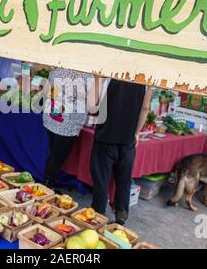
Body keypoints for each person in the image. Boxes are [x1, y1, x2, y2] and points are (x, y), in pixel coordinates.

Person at [90, 79, 152, 225]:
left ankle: (98, 217)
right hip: (127, 141)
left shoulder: (110, 75)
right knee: (124, 181)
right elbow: (145, 107)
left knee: (101, 182)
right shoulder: (144, 80)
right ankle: (121, 218)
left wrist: (97, 79)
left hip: (105, 138)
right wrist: (136, 133)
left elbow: (92, 107)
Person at [42, 68, 94, 189]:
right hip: (68, 124)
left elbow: (48, 91)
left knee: (54, 155)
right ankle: (46, 187)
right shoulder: (88, 76)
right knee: (57, 158)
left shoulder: (58, 69)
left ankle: (46, 184)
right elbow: (93, 105)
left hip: (52, 117)